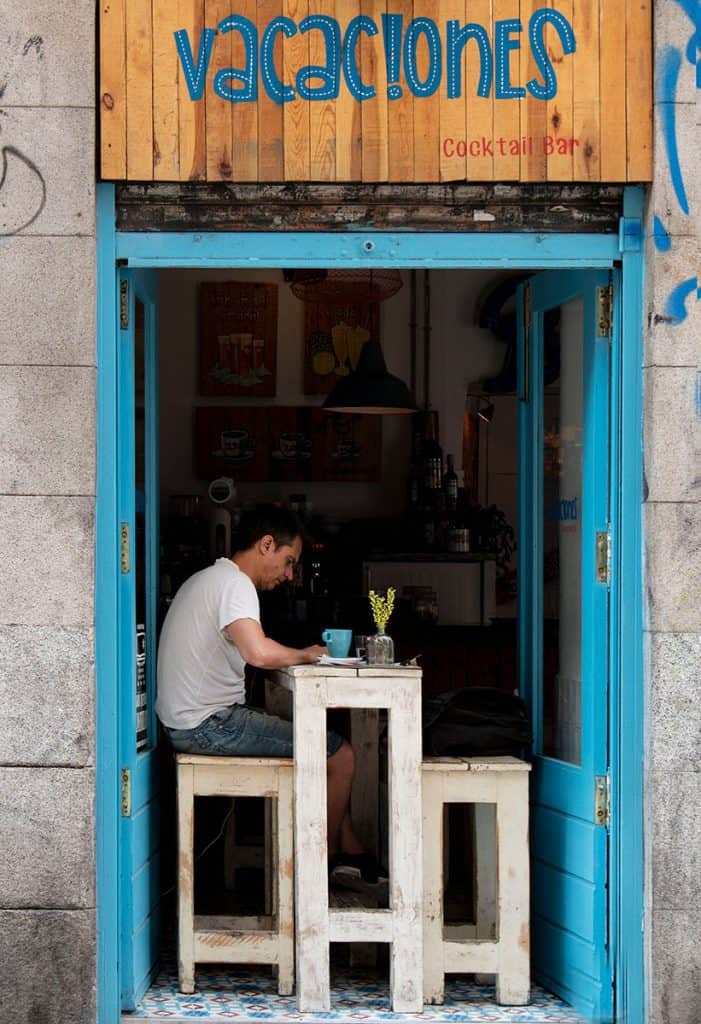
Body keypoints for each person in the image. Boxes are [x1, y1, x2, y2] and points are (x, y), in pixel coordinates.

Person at [157, 503, 380, 880]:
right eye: (290, 561)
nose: (290, 575)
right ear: (266, 545)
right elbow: (257, 652)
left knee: (319, 747)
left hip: (189, 722)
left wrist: (297, 654)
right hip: (208, 726)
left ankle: (349, 849)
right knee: (339, 755)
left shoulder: (210, 578)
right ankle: (319, 869)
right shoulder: (236, 584)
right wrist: (308, 655)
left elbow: (255, 646)